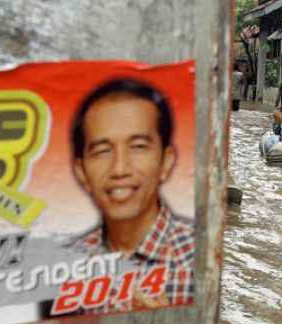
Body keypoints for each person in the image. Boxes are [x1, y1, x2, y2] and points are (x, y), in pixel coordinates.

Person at [69, 78, 194, 311]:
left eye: (138, 147)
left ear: (166, 161)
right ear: (81, 171)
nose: (120, 169)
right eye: (102, 150)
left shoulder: (197, 259)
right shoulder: (64, 264)